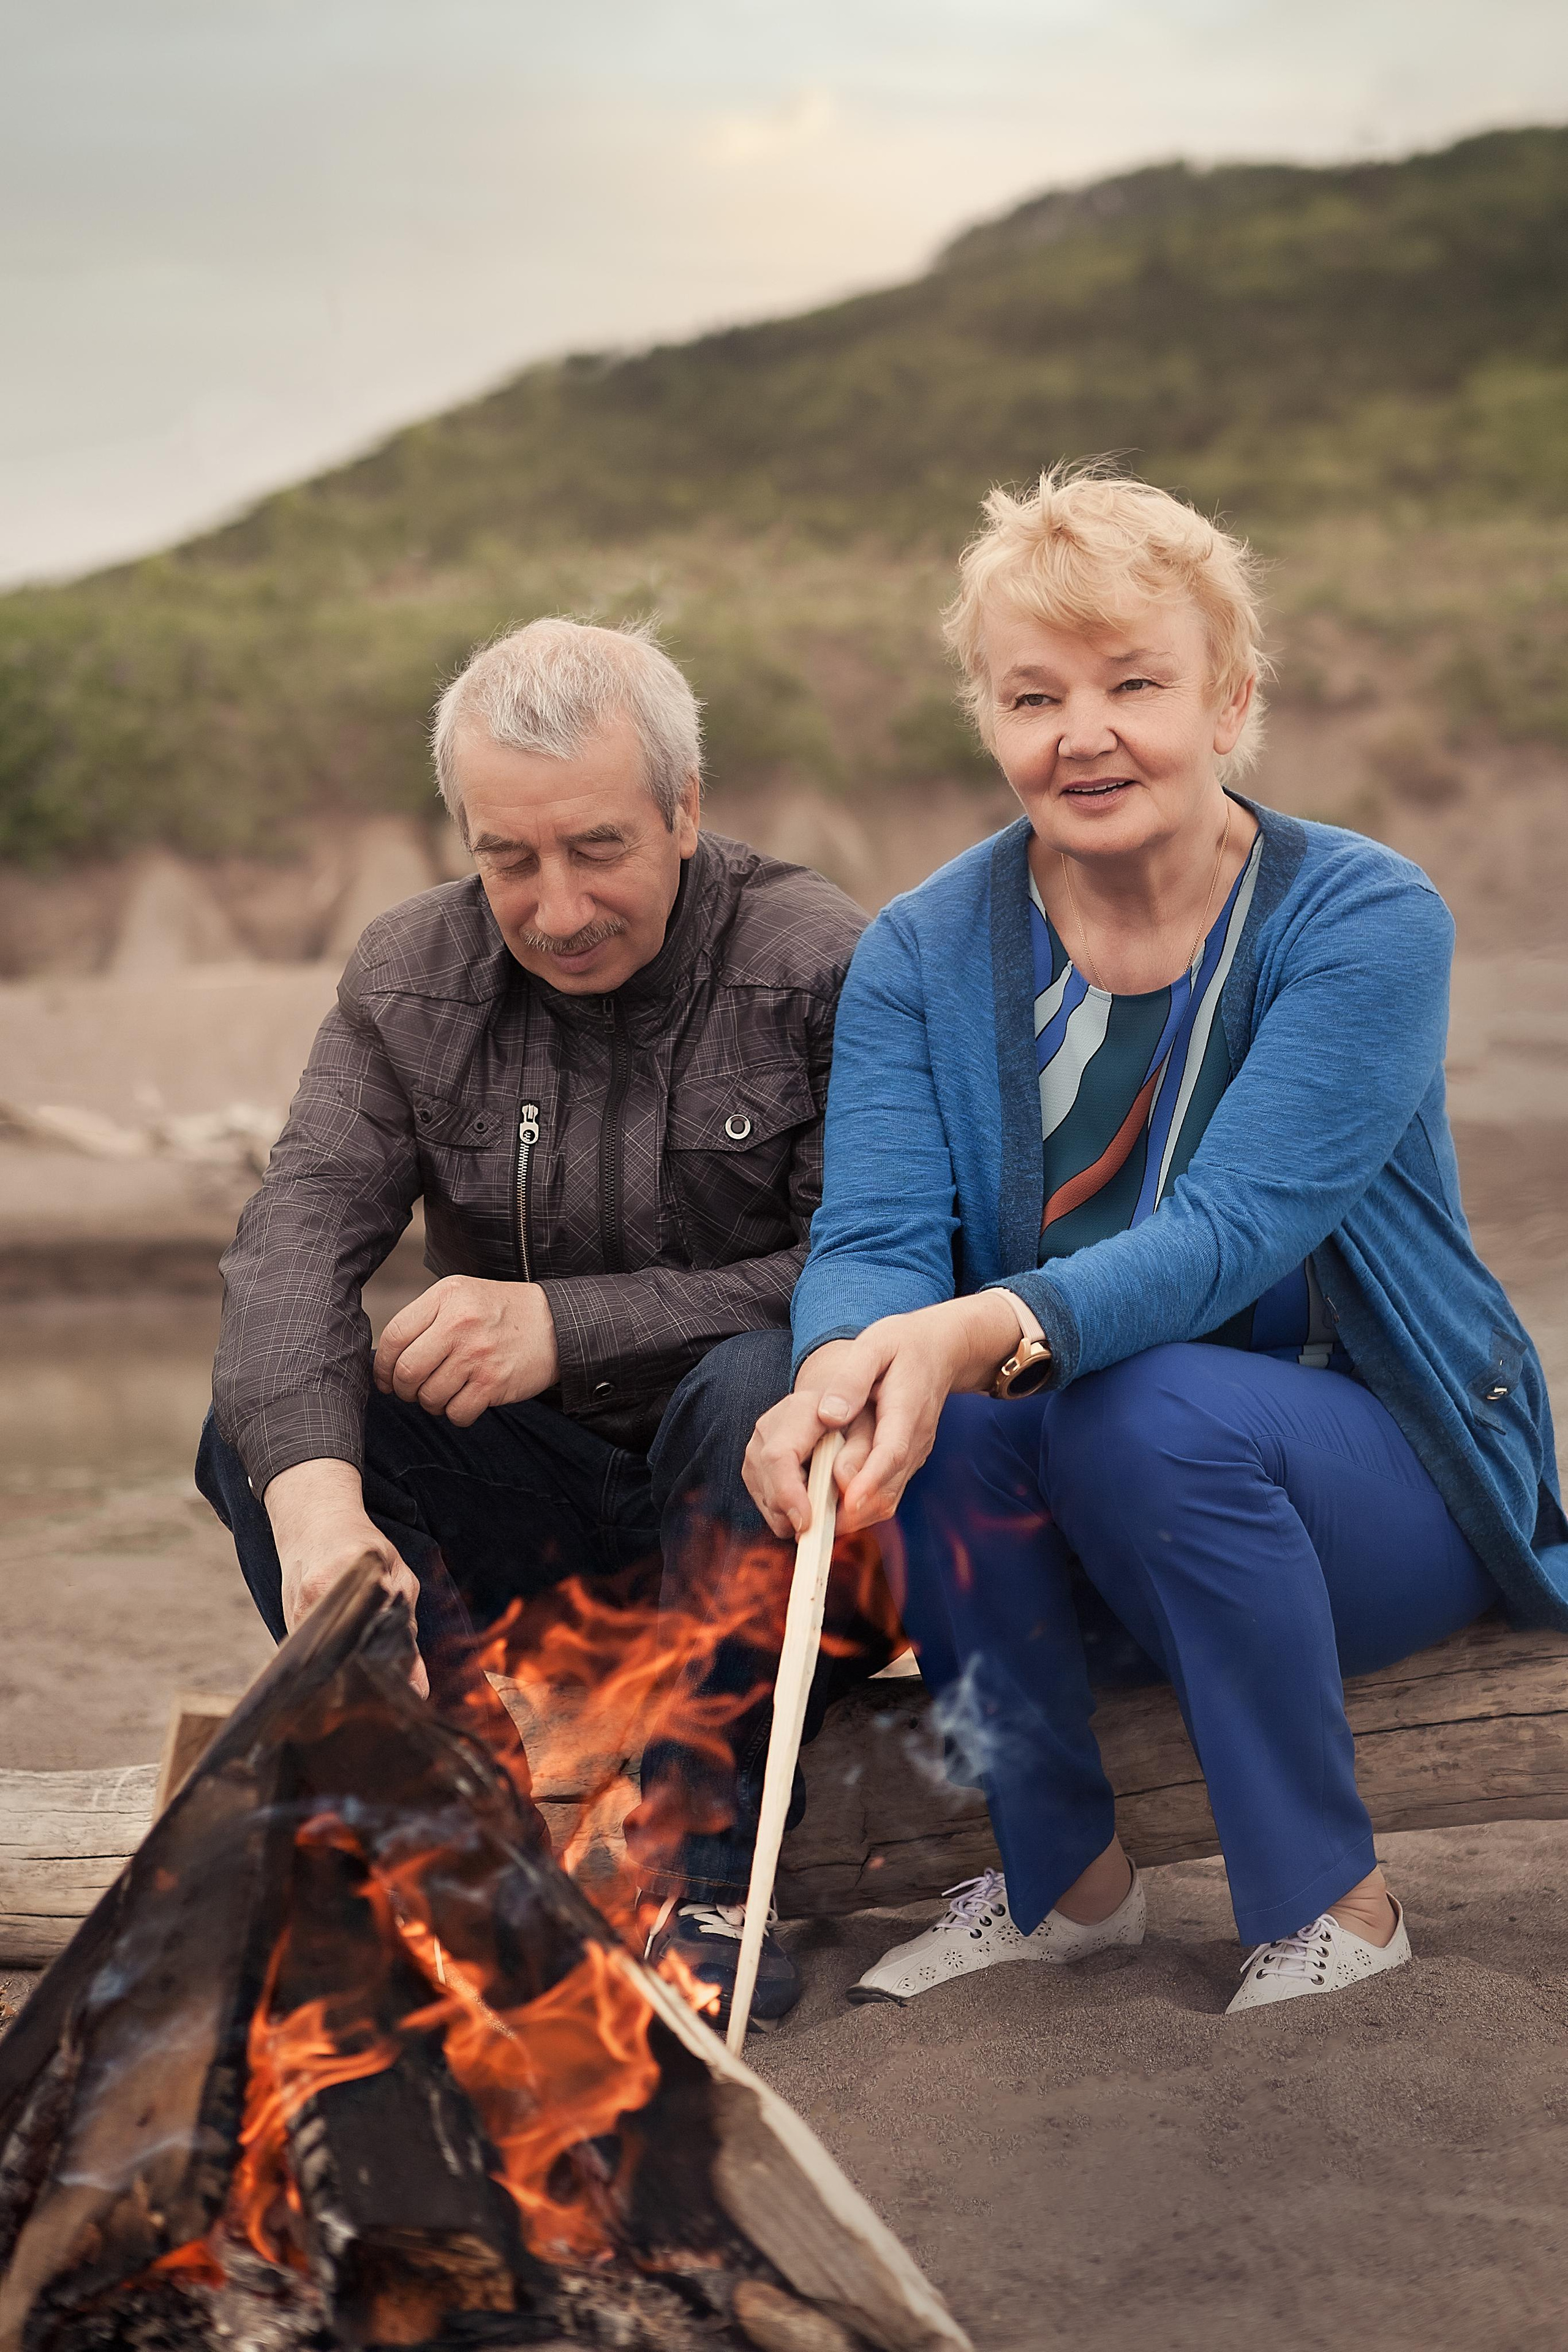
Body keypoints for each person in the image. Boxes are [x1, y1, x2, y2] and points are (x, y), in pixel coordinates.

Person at [744, 467, 1567, 2015]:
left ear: (1228, 696)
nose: (1083, 733)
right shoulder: (923, 948)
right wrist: (844, 1368)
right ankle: (1061, 1886)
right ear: (988, 720)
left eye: (1134, 683)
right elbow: (868, 1232)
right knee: (938, 1424)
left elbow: (1233, 1231)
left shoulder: (1362, 920)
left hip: (1377, 1482)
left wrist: (974, 1333)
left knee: (1127, 1398)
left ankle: (1335, 1903)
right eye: (1032, 695)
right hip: (1097, 1504)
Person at [197, 616, 888, 2025]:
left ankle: (703, 1877)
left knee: (759, 1377)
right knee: (265, 1437)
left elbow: (877, 1269)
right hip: (550, 1519)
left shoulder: (817, 959)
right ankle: (471, 1854)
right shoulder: (405, 978)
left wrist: (569, 1325)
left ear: (684, 808)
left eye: (595, 850)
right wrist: (319, 1517)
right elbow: (290, 1249)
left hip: (785, 1529)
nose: (555, 907)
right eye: (506, 859)